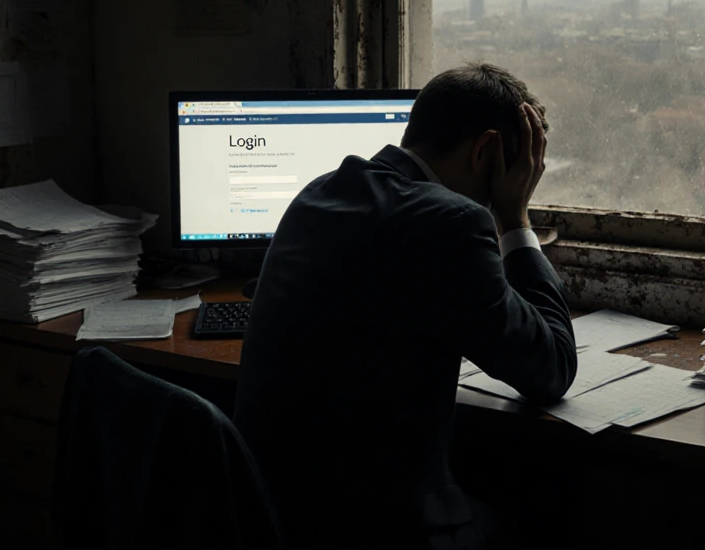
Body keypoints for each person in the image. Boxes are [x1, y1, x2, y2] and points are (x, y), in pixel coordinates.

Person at [234, 63, 577, 549]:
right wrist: (514, 216)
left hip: (277, 514)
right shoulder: (452, 222)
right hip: (384, 528)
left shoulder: (316, 193)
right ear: (486, 152)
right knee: (563, 514)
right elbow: (552, 368)